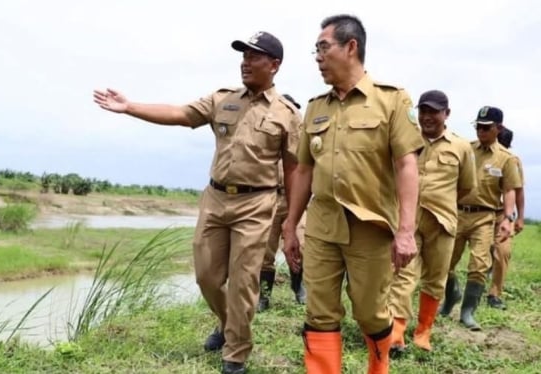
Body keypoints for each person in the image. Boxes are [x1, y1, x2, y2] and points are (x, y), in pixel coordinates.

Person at [94, 31, 300, 374]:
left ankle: (236, 352)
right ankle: (227, 324)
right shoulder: (223, 99)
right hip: (216, 199)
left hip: (257, 204)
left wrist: (292, 218)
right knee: (206, 276)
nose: (245, 62)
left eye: (254, 56)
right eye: (243, 56)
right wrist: (129, 107)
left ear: (274, 65)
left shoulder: (287, 113)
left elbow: (293, 168)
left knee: (244, 280)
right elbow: (179, 113)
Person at [282, 14, 424, 374]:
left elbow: (407, 166)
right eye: (315, 49)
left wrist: (406, 231)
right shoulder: (315, 107)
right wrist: (290, 226)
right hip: (322, 226)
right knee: (319, 311)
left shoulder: (392, 100)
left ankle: (379, 368)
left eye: (322, 47)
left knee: (369, 311)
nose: (317, 57)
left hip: (371, 227)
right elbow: (303, 170)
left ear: (351, 47)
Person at [387, 90, 477, 355]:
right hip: (408, 220)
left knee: (436, 279)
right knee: (402, 275)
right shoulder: (406, 139)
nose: (427, 117)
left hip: (443, 222)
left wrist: (443, 202)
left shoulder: (461, 147)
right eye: (423, 111)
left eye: (434, 112)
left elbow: (467, 186)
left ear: (446, 114)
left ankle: (424, 331)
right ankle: (397, 331)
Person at [439, 106, 521, 331]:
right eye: (478, 127)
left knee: (479, 264)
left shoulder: (506, 158)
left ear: (499, 128)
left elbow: (511, 190)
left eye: (486, 128)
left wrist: (508, 218)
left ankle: (467, 311)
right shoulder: (466, 149)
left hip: (484, 217)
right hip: (456, 213)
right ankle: (451, 296)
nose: (481, 132)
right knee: (444, 262)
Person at [258, 94, 306, 312]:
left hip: (295, 199)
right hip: (268, 198)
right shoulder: (266, 142)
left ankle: (299, 288)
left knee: (301, 245)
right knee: (264, 251)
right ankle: (263, 296)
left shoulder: (305, 143)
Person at [487, 122, 525, 310]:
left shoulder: (512, 160)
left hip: (503, 215)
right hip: (482, 212)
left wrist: (519, 218)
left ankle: (494, 294)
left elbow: (518, 191)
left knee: (503, 252)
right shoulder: (480, 156)